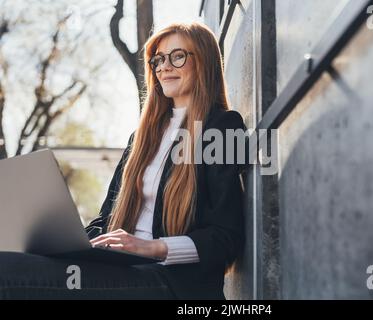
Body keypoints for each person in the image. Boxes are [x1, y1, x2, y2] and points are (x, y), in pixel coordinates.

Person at [0, 22, 248, 300]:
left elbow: (228, 236)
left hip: (175, 283)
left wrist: (152, 247)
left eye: (178, 56)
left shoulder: (222, 127)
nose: (164, 66)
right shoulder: (141, 138)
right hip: (123, 270)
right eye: (158, 60)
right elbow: (108, 219)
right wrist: (74, 244)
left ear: (204, 62)